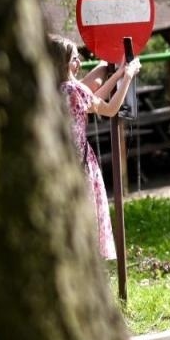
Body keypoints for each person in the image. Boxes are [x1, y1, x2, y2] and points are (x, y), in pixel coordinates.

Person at [49, 35, 141, 261]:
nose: (78, 63)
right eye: (74, 59)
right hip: (81, 166)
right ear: (63, 63)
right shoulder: (73, 89)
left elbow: (92, 100)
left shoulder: (57, 90)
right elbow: (108, 108)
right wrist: (127, 77)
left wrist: (118, 74)